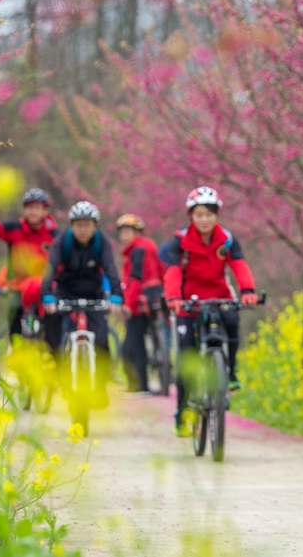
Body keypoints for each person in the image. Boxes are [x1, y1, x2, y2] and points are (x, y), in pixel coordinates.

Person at [163, 186, 257, 436]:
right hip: (187, 302)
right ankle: (183, 412)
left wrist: (247, 290)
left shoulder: (226, 238)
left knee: (232, 321)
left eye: (209, 214)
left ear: (217, 215)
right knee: (186, 359)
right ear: (191, 215)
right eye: (199, 214)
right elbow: (172, 270)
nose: (204, 219)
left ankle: (231, 371)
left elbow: (238, 264)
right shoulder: (180, 240)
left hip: (219, 296)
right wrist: (173, 297)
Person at [41, 201, 123, 408]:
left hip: (93, 294)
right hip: (65, 292)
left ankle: (101, 384)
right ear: (71, 225)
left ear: (95, 225)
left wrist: (116, 294)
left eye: (87, 224)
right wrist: (47, 294)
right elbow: (49, 268)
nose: (83, 229)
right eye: (78, 225)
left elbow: (111, 269)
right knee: (59, 331)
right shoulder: (63, 242)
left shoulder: (101, 242)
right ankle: (61, 373)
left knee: (102, 340)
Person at [0, 188, 60, 348]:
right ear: (24, 209)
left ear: (45, 210)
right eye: (29, 207)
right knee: (14, 312)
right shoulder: (14, 228)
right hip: (17, 283)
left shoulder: (54, 235)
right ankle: (16, 350)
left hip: (42, 286)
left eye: (37, 207)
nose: (33, 211)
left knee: (50, 318)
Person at [117, 214, 165, 393]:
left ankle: (139, 385)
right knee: (147, 339)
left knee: (131, 345)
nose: (124, 235)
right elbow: (162, 269)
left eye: (128, 231)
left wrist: (128, 304)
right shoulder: (150, 245)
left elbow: (135, 278)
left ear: (137, 232)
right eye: (122, 232)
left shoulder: (137, 249)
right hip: (156, 297)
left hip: (140, 301)